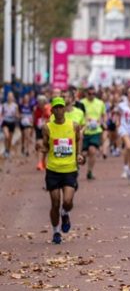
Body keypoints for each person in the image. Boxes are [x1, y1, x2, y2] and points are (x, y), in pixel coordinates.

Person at [41, 97, 85, 244]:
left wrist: (79, 154)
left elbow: (78, 139)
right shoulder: (47, 127)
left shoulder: (74, 125)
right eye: (56, 108)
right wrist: (41, 148)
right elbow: (46, 146)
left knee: (67, 201)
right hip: (53, 169)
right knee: (54, 203)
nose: (59, 110)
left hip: (69, 169)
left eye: (61, 107)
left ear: (65, 109)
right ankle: (56, 232)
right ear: (52, 110)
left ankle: (65, 213)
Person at [81, 86, 106, 180]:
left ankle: (89, 171)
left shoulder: (100, 103)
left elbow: (104, 114)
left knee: (92, 150)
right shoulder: (81, 103)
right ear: (86, 93)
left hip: (96, 130)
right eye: (89, 94)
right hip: (84, 130)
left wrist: (103, 121)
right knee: (82, 153)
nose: (91, 95)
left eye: (93, 94)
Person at [33, 95, 51, 170]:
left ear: (44, 102)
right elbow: (34, 118)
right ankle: (39, 163)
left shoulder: (48, 108)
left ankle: (43, 161)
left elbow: (51, 118)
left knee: (45, 146)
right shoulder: (35, 109)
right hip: (39, 129)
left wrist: (46, 120)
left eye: (41, 102)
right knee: (39, 144)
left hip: (46, 129)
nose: (40, 104)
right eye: (39, 102)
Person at [1, 92, 19, 158]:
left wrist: (16, 115)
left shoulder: (15, 106)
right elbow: (2, 114)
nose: (9, 97)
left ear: (13, 98)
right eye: (8, 96)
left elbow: (18, 115)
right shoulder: (4, 105)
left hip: (12, 123)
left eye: (11, 96)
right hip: (5, 122)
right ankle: (6, 150)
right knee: (6, 136)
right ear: (7, 97)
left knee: (10, 139)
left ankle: (8, 150)